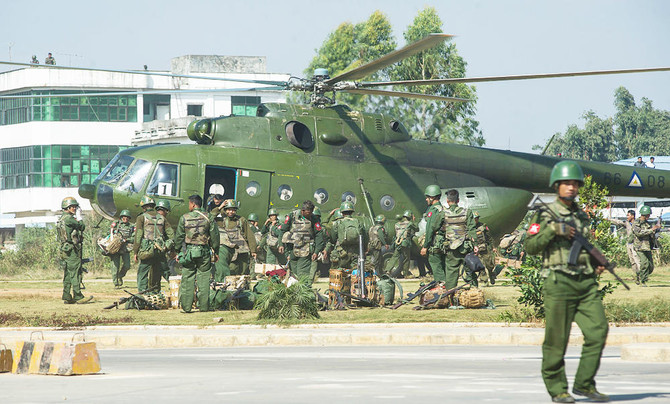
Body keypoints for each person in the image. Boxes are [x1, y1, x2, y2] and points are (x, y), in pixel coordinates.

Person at [525, 160, 609, 403]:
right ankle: (557, 389)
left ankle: (584, 384)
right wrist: (553, 231)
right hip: (558, 281)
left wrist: (597, 260)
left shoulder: (582, 215)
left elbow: (583, 245)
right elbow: (530, 246)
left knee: (598, 331)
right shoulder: (544, 213)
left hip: (585, 283)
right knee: (556, 339)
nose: (571, 187)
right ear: (556, 186)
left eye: (575, 183)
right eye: (566, 183)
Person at [421, 186, 475, 289]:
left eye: (427, 197)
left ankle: (443, 291)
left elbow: (430, 229)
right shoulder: (443, 209)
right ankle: (473, 290)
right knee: (465, 268)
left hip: (440, 244)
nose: (426, 199)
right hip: (459, 245)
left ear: (432, 198)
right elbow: (472, 230)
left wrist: (425, 246)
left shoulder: (436, 211)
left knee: (438, 267)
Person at [174, 194, 219, 313]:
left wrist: (178, 251)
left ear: (193, 204)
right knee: (204, 279)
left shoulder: (184, 217)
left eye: (189, 204)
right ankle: (204, 307)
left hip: (189, 252)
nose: (189, 206)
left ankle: (186, 307)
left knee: (188, 278)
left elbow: (179, 236)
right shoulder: (208, 217)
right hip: (204, 252)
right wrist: (216, 251)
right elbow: (215, 236)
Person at [279, 200, 325, 286]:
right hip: (292, 250)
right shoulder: (292, 216)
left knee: (303, 275)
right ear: (302, 210)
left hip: (305, 251)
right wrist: (281, 245)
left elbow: (319, 235)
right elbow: (283, 230)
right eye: (308, 213)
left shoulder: (314, 219)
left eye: (311, 213)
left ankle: (304, 291)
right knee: (293, 275)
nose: (309, 215)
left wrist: (316, 251)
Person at [133, 195, 173, 293]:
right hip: (160, 250)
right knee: (160, 272)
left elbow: (138, 236)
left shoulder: (141, 218)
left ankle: (143, 294)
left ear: (143, 207)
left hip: (147, 251)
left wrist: (135, 251)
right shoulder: (162, 218)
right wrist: (167, 247)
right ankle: (170, 289)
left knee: (142, 273)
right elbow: (171, 235)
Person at [211, 199, 257, 281]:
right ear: (225, 210)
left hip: (242, 252)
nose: (231, 212)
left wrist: (253, 250)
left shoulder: (241, 220)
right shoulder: (221, 220)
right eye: (229, 209)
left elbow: (250, 235)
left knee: (243, 274)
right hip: (230, 252)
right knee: (232, 272)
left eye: (233, 210)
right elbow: (210, 216)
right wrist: (220, 207)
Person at [57, 197, 92, 304]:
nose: (75, 209)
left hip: (65, 249)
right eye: (73, 207)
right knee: (75, 272)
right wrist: (79, 216)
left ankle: (67, 295)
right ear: (67, 207)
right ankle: (78, 296)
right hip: (71, 250)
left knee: (68, 273)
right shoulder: (69, 219)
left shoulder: (61, 219)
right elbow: (82, 226)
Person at [329, 201, 367, 271]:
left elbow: (333, 238)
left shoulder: (337, 223)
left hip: (342, 252)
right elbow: (364, 237)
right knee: (356, 272)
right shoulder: (358, 222)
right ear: (352, 212)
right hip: (356, 252)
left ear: (342, 213)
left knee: (338, 273)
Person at [632, 205, 661, 287]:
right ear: (645, 214)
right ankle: (643, 281)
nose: (649, 216)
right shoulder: (636, 223)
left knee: (650, 267)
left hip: (647, 246)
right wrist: (651, 230)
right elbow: (639, 233)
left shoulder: (647, 223)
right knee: (644, 264)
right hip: (640, 246)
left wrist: (656, 230)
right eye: (648, 215)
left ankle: (638, 275)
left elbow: (651, 233)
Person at [385, 210, 417, 278]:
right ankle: (406, 274)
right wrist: (414, 221)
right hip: (405, 243)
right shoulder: (410, 223)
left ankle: (387, 270)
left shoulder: (397, 224)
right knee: (406, 258)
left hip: (398, 243)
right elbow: (417, 229)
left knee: (394, 257)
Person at [611, 210, 641, 280]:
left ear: (633, 216)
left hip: (635, 243)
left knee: (637, 260)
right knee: (632, 261)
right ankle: (635, 275)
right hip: (629, 244)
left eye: (628, 215)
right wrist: (609, 220)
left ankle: (641, 276)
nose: (627, 217)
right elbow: (618, 222)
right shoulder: (627, 223)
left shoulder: (637, 223)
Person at [108, 209, 134, 288]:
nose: (125, 218)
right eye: (123, 217)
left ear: (129, 218)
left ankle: (120, 276)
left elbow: (133, 238)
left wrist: (126, 240)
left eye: (127, 217)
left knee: (127, 265)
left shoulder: (131, 227)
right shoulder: (116, 224)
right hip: (115, 248)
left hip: (125, 248)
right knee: (115, 266)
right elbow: (110, 233)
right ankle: (116, 283)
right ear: (121, 217)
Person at [473, 211, 497, 286]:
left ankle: (491, 275)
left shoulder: (483, 226)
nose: (476, 220)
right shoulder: (469, 228)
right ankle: (485, 281)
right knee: (480, 266)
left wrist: (493, 247)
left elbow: (489, 237)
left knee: (489, 265)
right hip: (476, 250)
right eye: (474, 218)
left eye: (477, 218)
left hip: (485, 248)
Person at [156, 200, 175, 282]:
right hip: (160, 250)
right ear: (165, 211)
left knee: (146, 271)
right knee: (164, 269)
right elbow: (171, 236)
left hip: (147, 249)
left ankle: (149, 290)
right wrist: (171, 249)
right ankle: (172, 284)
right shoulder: (164, 220)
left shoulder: (148, 218)